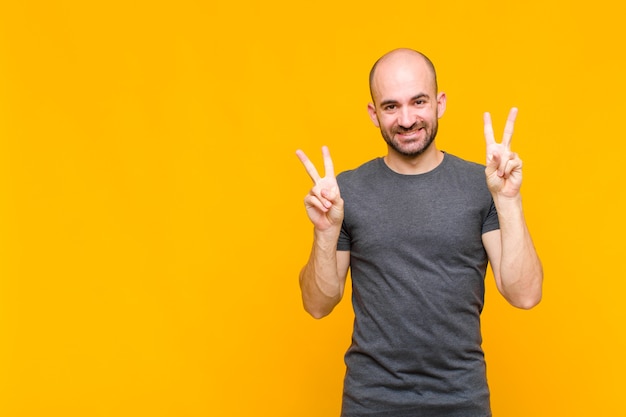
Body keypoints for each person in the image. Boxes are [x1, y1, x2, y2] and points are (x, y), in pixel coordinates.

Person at [295, 48, 543, 417]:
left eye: (419, 101)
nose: (407, 119)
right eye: (391, 106)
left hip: (462, 401)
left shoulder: (482, 185)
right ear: (373, 113)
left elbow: (525, 295)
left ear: (440, 103)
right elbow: (318, 304)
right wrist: (326, 232)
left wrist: (509, 200)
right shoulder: (345, 191)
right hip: (370, 402)